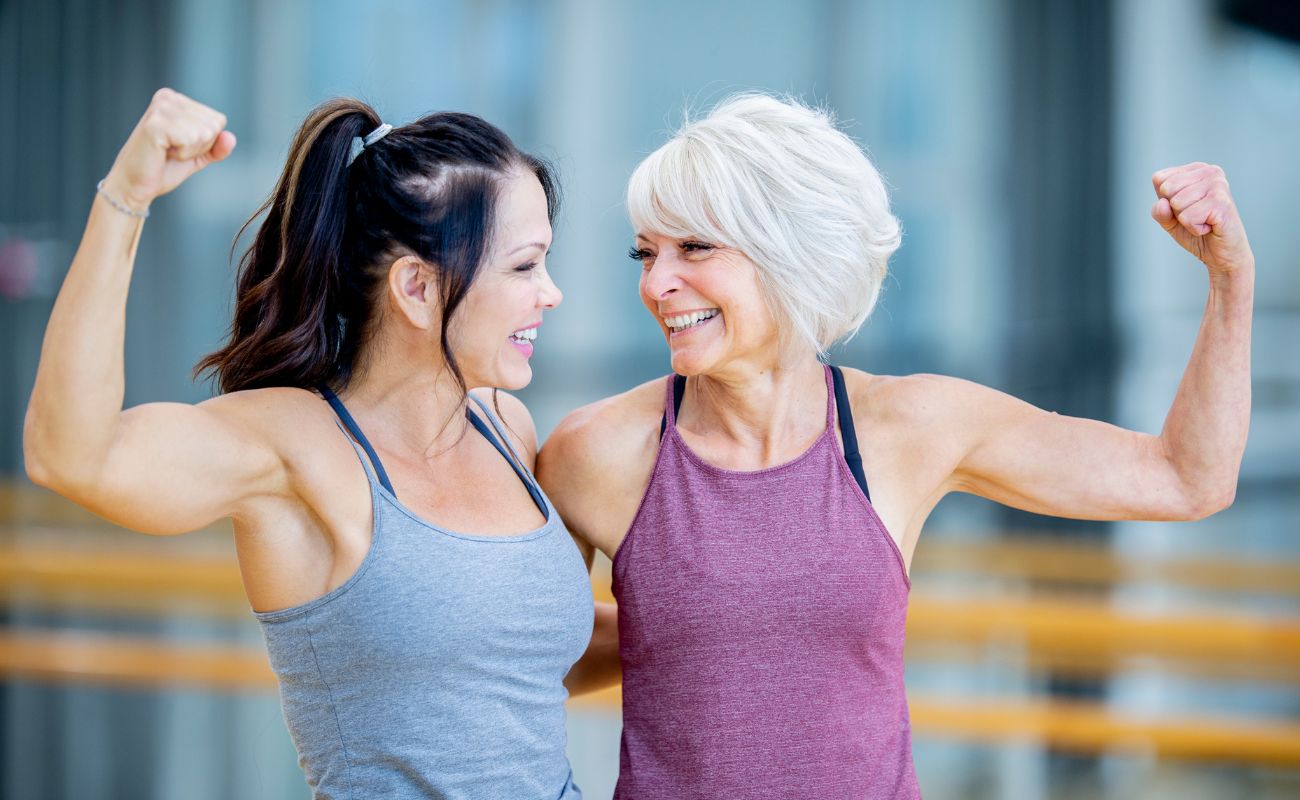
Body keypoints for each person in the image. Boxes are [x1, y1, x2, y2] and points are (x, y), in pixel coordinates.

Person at [537, 94, 1254, 799]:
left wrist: (1230, 279)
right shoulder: (595, 453)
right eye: (645, 253)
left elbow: (1187, 479)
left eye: (694, 247)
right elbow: (523, 664)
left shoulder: (910, 426)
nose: (657, 283)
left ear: (790, 252)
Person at [24, 88, 614, 799]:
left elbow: (522, 670)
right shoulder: (293, 445)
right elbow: (68, 455)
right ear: (417, 288)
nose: (551, 294)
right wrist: (126, 197)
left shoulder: (505, 429)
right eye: (523, 266)